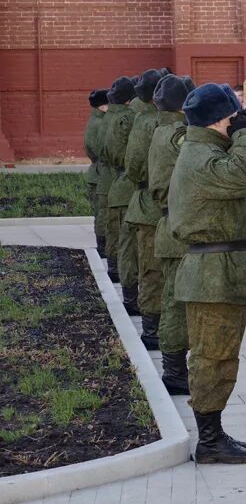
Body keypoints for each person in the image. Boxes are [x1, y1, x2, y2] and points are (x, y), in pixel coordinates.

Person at [169, 83, 246, 464]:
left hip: (221, 272)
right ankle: (208, 440)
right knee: (212, 357)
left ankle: (215, 431)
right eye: (233, 116)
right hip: (211, 275)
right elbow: (245, 175)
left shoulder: (206, 151)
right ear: (219, 120)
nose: (237, 121)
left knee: (221, 355)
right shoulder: (200, 157)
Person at [147, 75, 194, 395]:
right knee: (177, 303)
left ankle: (176, 368)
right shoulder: (179, 135)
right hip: (178, 228)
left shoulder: (162, 129)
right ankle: (175, 372)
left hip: (169, 226)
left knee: (173, 300)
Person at [123, 69, 171, 350]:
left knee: (155, 270)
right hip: (151, 206)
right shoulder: (147, 123)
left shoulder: (151, 121)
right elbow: (134, 166)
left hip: (155, 204)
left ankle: (158, 326)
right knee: (153, 270)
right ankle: (152, 329)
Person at [103, 75, 142, 306]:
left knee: (123, 244)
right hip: (128, 186)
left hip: (117, 183)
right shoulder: (129, 118)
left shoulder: (110, 116)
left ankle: (129, 295)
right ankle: (132, 298)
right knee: (131, 248)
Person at [84, 90, 109, 257]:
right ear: (102, 106)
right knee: (102, 213)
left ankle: (102, 246)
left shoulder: (95, 120)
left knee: (100, 212)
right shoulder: (99, 124)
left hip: (96, 172)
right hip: (100, 172)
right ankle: (103, 247)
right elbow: (95, 149)